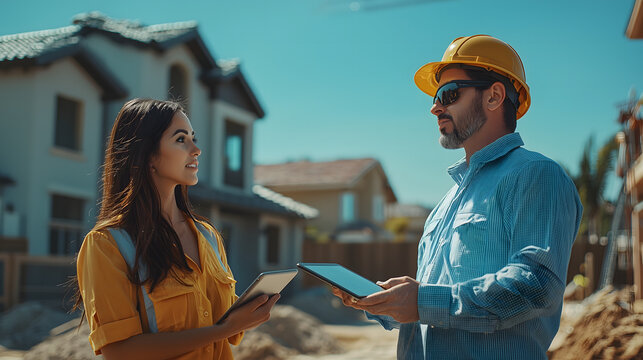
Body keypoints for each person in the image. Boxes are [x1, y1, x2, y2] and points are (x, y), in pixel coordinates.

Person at [332, 35, 583, 359]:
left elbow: (536, 285)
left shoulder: (536, 175)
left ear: (494, 96)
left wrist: (423, 302)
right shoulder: (447, 201)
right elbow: (430, 311)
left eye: (448, 94)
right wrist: (387, 303)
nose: (435, 107)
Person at [74, 98, 279, 359]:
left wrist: (249, 313)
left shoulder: (209, 236)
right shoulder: (107, 245)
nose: (196, 150)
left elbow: (230, 328)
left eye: (194, 138)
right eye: (181, 139)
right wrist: (224, 328)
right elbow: (119, 351)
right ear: (148, 154)